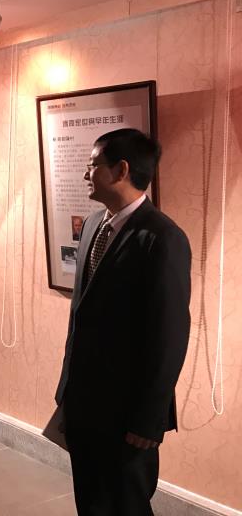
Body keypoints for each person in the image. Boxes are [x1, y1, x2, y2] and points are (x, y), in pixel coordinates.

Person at [54, 129, 191, 515]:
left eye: (93, 165)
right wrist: (67, 390)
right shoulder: (93, 224)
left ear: (121, 170)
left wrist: (148, 418)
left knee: (126, 505)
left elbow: (169, 336)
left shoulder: (162, 238)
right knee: (91, 502)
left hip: (127, 414)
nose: (86, 174)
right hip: (84, 402)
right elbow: (82, 315)